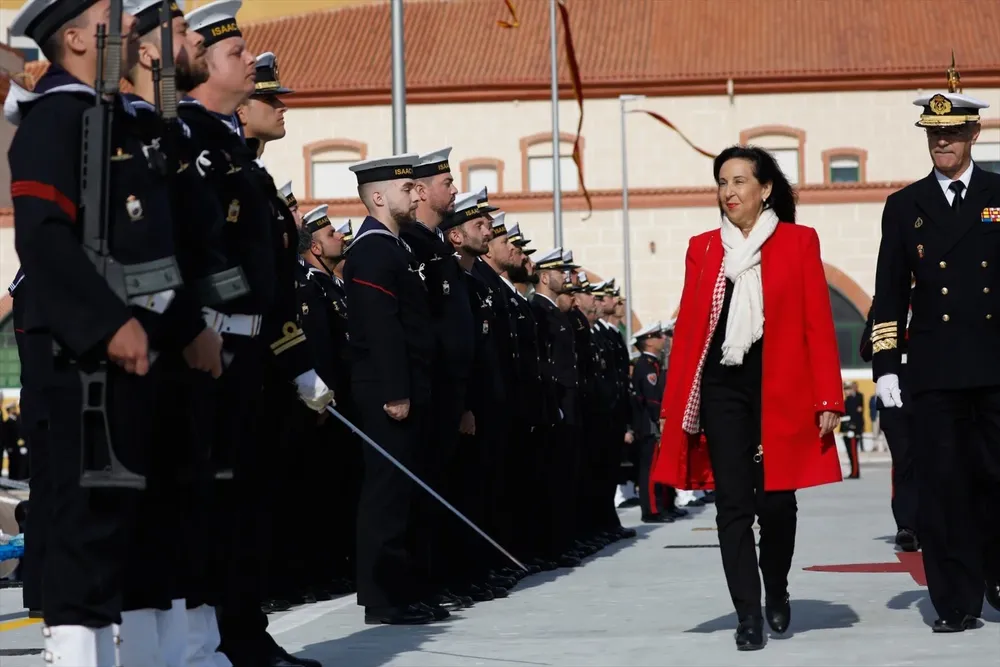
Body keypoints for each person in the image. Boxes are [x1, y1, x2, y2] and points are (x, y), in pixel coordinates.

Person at [652, 144, 844, 651]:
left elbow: (817, 324)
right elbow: (693, 326)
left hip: (780, 388)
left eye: (739, 181)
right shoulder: (703, 247)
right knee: (733, 504)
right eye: (722, 182)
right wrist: (677, 403)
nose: (729, 191)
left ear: (765, 189)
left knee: (778, 501)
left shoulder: (798, 242)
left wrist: (829, 398)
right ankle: (748, 613)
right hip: (722, 387)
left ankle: (776, 585)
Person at [870, 64, 1000, 631]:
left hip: (996, 364)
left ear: (974, 134)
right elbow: (889, 292)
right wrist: (886, 365)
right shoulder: (906, 206)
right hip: (936, 368)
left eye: (951, 133)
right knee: (944, 490)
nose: (941, 142)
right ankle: (955, 601)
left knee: (997, 480)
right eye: (933, 134)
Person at [343, 153, 437, 625]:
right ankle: (382, 599)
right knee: (386, 495)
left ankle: (405, 590)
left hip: (405, 387)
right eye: (405, 190)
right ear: (378, 197)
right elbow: (381, 329)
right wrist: (396, 391)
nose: (414, 194)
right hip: (386, 390)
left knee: (404, 495)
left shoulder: (397, 247)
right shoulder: (372, 250)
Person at [860, 301, 918, 551]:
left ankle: (934, 521)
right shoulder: (885, 303)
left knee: (936, 460)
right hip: (894, 393)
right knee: (903, 461)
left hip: (929, 387)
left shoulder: (930, 291)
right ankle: (907, 526)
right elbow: (865, 350)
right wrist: (876, 315)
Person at [630, 322, 671, 523]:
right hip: (648, 425)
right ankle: (651, 510)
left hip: (652, 423)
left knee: (656, 467)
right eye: (657, 336)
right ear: (648, 342)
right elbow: (652, 399)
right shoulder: (645, 366)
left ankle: (660, 506)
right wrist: (659, 420)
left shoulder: (653, 364)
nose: (662, 340)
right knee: (649, 469)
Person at [841, 382, 864, 479]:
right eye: (845, 389)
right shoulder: (846, 401)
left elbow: (857, 417)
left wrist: (856, 430)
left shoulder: (855, 400)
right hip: (846, 430)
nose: (846, 391)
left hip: (852, 431)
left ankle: (855, 472)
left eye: (848, 389)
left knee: (853, 453)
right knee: (850, 453)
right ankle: (853, 471)